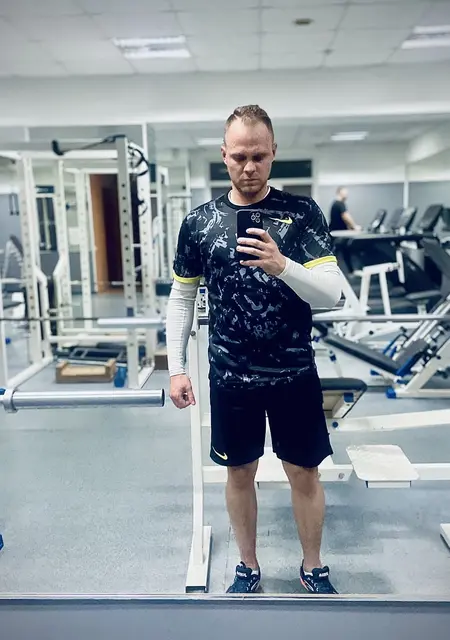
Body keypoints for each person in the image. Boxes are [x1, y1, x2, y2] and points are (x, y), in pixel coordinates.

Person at [166, 105, 342, 595]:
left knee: (304, 472)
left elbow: (332, 293)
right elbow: (181, 297)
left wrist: (283, 265)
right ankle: (247, 565)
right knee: (238, 471)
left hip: (293, 373)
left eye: (259, 157)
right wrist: (177, 367)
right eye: (239, 156)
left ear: (273, 154)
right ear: (224, 155)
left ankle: (313, 566)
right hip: (230, 376)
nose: (249, 167)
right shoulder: (199, 223)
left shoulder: (302, 214)